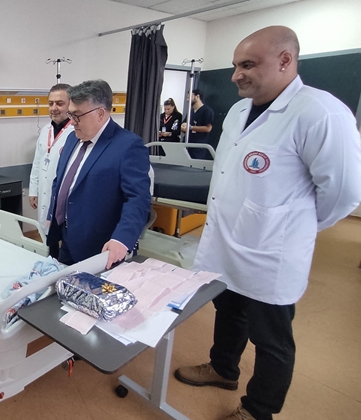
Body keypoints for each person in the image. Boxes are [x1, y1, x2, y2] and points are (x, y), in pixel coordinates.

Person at [174, 26, 361, 420]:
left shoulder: (320, 113)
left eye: (247, 65)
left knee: (271, 337)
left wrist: (295, 226)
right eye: (235, 65)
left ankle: (258, 409)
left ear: (285, 61)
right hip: (227, 241)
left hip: (273, 251)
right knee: (229, 311)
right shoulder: (239, 111)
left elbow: (344, 193)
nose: (235, 75)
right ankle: (223, 369)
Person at [46, 79, 151, 269]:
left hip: (103, 247)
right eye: (70, 114)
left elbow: (138, 199)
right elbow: (59, 180)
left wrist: (122, 239)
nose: (72, 121)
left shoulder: (127, 146)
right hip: (68, 238)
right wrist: (52, 214)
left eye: (77, 115)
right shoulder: (72, 139)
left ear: (100, 113)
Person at [28, 83, 74, 254]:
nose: (54, 108)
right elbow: (37, 162)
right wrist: (33, 190)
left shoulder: (75, 133)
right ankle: (51, 260)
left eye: (60, 103)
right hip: (44, 191)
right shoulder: (45, 131)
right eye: (50, 103)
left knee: (65, 238)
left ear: (70, 104)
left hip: (64, 196)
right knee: (48, 238)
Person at [181, 89, 215, 159]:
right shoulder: (190, 112)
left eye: (189, 97)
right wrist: (183, 127)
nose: (188, 100)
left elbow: (208, 128)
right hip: (187, 145)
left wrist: (191, 127)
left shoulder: (207, 111)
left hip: (198, 147)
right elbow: (185, 123)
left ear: (197, 96)